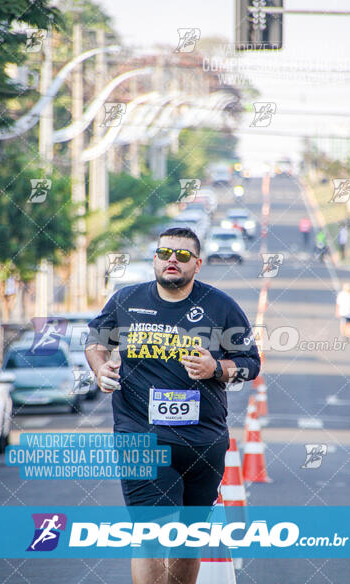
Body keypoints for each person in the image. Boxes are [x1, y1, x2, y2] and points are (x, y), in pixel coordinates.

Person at [85, 227, 260, 584]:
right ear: (155, 258)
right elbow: (95, 342)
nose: (171, 261)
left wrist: (217, 368)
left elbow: (250, 363)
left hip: (203, 440)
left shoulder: (221, 307)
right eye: (165, 253)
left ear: (197, 264)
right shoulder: (126, 300)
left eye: (182, 256)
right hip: (141, 434)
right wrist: (101, 367)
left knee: (187, 538)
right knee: (151, 533)